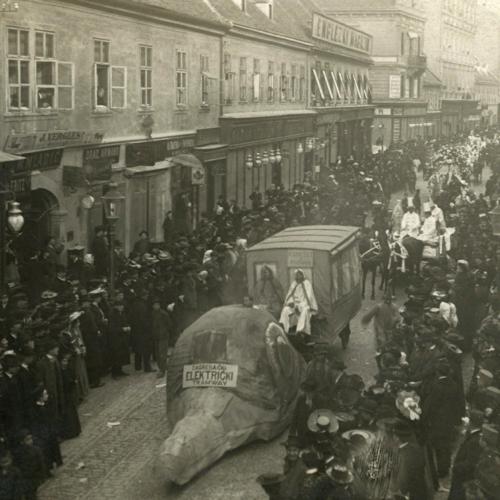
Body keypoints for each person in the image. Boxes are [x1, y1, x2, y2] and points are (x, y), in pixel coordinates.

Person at [279, 269, 318, 336]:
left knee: (305, 310)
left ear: (303, 275)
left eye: (299, 274)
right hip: (295, 304)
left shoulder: (307, 283)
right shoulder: (294, 284)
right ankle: (284, 329)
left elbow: (309, 297)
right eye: (296, 275)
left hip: (304, 305)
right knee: (286, 309)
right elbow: (290, 295)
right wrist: (291, 303)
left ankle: (300, 330)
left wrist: (299, 306)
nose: (298, 276)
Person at [108, 299, 131, 379]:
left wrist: (127, 326)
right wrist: (122, 329)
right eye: (121, 306)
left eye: (122, 306)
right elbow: (112, 328)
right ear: (116, 306)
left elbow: (125, 321)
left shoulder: (121, 313)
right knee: (116, 356)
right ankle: (114, 373)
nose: (122, 307)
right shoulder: (112, 315)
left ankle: (120, 370)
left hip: (122, 338)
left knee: (121, 355)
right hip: (115, 339)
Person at [151, 299, 172, 378]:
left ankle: (162, 371)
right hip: (156, 337)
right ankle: (163, 367)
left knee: (162, 354)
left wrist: (165, 332)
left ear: (159, 305)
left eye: (157, 304)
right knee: (158, 354)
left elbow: (170, 324)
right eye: (154, 305)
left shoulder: (164, 314)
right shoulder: (152, 313)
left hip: (163, 337)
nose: (156, 306)